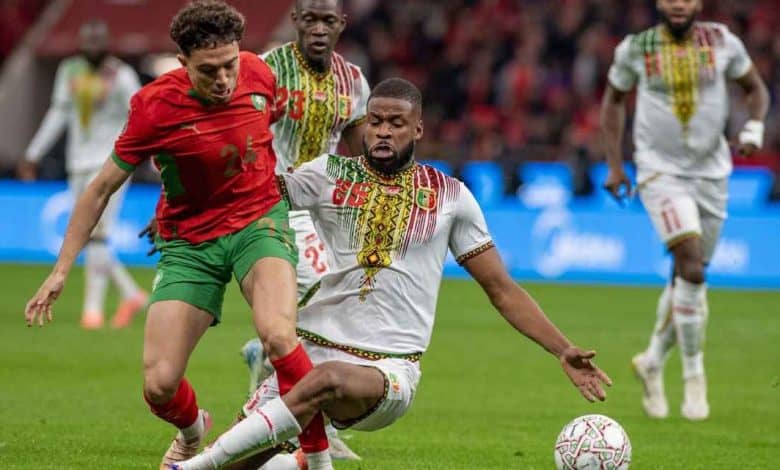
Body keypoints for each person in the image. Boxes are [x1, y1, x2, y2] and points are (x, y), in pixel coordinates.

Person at [171, 78, 612, 470]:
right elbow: (251, 196)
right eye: (375, 121)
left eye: (396, 123)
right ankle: (296, 460)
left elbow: (500, 288)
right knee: (249, 454)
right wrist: (188, 188)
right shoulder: (327, 174)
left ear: (417, 129)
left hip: (388, 371)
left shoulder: (450, 197)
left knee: (320, 384)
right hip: (309, 352)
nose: (383, 131)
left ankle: (194, 466)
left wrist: (561, 349)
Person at [24, 2, 334, 469]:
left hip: (258, 221)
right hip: (191, 241)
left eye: (230, 64)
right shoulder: (153, 107)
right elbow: (100, 189)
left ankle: (317, 458)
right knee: (160, 385)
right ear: (182, 62)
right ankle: (192, 432)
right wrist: (62, 268)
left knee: (278, 337)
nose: (225, 79)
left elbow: (261, 139)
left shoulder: (258, 74)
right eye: (209, 70)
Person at [600, 0, 769, 421]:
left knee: (686, 279)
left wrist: (753, 126)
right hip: (660, 174)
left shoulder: (723, 42)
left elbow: (756, 89)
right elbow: (613, 102)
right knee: (692, 267)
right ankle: (695, 377)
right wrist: (617, 164)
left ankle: (653, 359)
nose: (678, 3)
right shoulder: (635, 49)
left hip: (712, 175)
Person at [240, 0, 369, 461]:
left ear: (341, 25)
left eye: (328, 21)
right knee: (320, 288)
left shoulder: (353, 80)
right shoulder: (267, 69)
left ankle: (274, 376)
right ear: (295, 20)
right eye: (310, 19)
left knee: (339, 302)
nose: (318, 29)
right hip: (276, 198)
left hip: (328, 207)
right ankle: (312, 420)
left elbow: (355, 147)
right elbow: (244, 131)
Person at [17, 19, 147, 329]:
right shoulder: (70, 71)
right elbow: (58, 113)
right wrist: (34, 152)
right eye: (87, 41)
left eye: (98, 41)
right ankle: (130, 295)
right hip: (78, 162)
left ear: (107, 43)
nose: (92, 47)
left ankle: (93, 311)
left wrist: (149, 154)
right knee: (87, 234)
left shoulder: (123, 76)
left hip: (112, 164)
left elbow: (143, 114)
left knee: (98, 234)